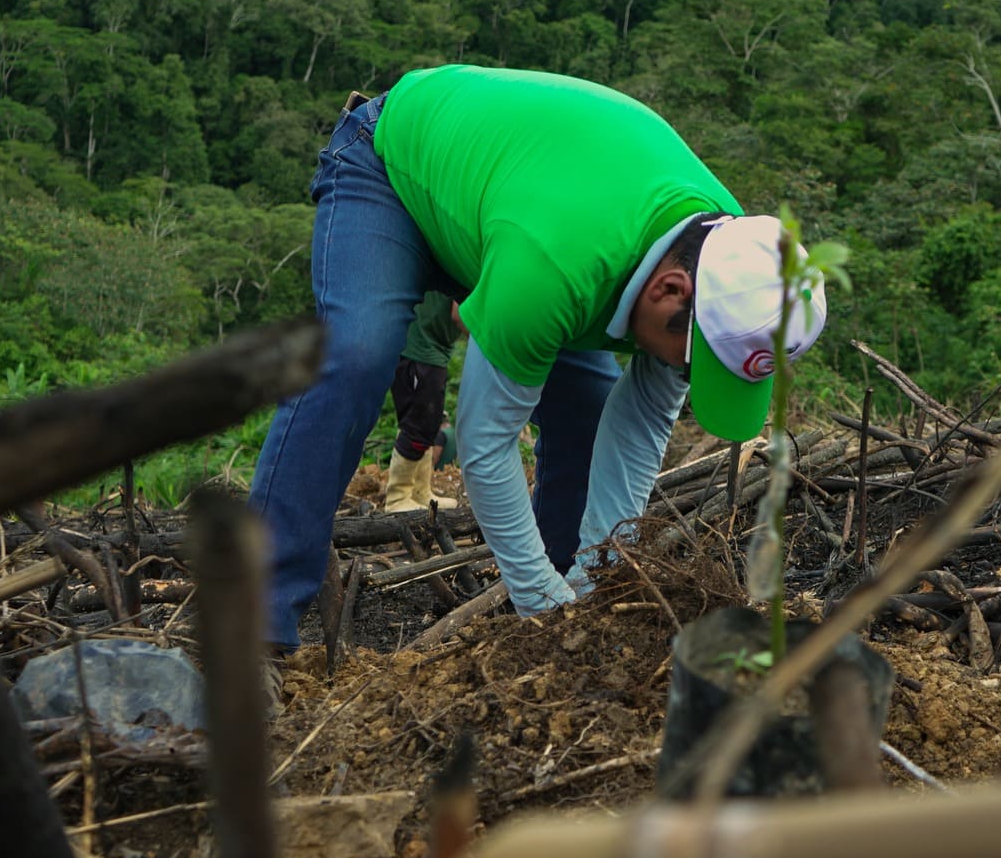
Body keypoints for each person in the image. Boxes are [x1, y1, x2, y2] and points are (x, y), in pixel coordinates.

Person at [249, 65, 828, 646]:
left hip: (513, 212)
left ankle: (560, 608)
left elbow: (641, 421)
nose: (685, 372)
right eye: (693, 360)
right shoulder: (558, 267)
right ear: (668, 291)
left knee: (588, 404)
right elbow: (486, 440)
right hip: (395, 168)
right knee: (355, 354)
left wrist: (593, 586)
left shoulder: (728, 260)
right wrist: (535, 594)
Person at [380, 291, 463, 514]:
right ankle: (397, 498)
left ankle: (420, 491)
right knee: (419, 425)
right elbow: (460, 314)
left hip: (426, 348)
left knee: (428, 423)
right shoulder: (473, 262)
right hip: (421, 350)